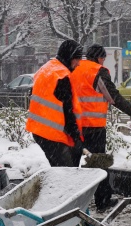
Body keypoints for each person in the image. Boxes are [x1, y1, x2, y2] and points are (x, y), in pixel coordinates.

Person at [70, 44, 131, 211]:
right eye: (103, 58)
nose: (104, 61)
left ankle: (72, 203)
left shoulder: (75, 69)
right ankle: (102, 201)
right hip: (94, 128)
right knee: (99, 164)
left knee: (73, 166)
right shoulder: (98, 72)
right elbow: (112, 97)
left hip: (74, 126)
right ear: (98, 57)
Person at [26, 39, 84, 167]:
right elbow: (67, 109)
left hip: (39, 130)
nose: (79, 63)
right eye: (77, 59)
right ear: (70, 57)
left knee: (59, 168)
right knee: (66, 171)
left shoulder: (47, 68)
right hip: (50, 132)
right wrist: (76, 136)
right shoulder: (62, 75)